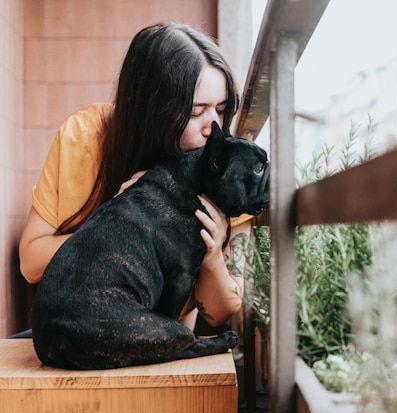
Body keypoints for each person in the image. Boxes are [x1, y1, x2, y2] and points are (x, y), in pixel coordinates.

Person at [18, 22, 253, 333]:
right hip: (83, 330)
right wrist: (120, 220)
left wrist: (211, 256)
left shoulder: (228, 172)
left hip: (164, 339)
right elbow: (31, 264)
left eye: (221, 110)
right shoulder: (87, 135)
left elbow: (219, 313)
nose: (215, 128)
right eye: (196, 112)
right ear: (151, 108)